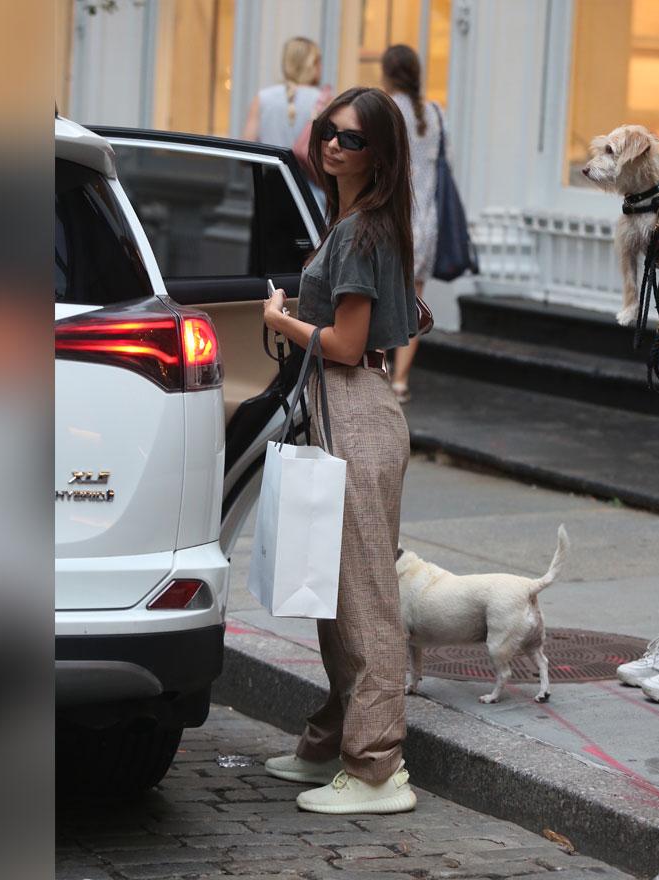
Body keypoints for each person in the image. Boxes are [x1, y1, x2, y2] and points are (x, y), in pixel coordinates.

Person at [260, 86, 419, 814]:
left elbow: (350, 348)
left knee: (364, 600)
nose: (332, 145)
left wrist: (279, 319)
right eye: (328, 132)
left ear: (378, 153)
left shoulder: (360, 232)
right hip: (349, 412)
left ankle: (379, 769)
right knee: (337, 592)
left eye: (351, 139)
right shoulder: (353, 221)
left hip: (355, 411)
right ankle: (333, 740)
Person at [379, 44, 444, 404]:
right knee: (415, 303)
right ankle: (401, 381)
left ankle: (381, 371)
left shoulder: (386, 110)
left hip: (394, 217)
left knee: (383, 298)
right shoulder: (435, 113)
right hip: (426, 221)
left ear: (388, 73)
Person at [241, 36, 324, 147]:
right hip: (303, 165)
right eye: (319, 62)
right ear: (312, 64)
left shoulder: (262, 98)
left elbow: (246, 147)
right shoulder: (323, 100)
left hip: (267, 165)